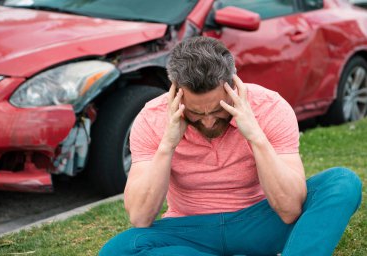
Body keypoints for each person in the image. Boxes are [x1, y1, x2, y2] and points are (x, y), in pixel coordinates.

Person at [99, 37, 362, 256]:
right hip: (191, 230)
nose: (209, 120)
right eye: (195, 113)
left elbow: (290, 208)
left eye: (217, 109)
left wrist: (255, 136)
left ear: (233, 85)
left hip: (260, 222)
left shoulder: (270, 107)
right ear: (175, 92)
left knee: (342, 182)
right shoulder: (151, 117)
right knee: (119, 250)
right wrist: (167, 144)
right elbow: (140, 218)